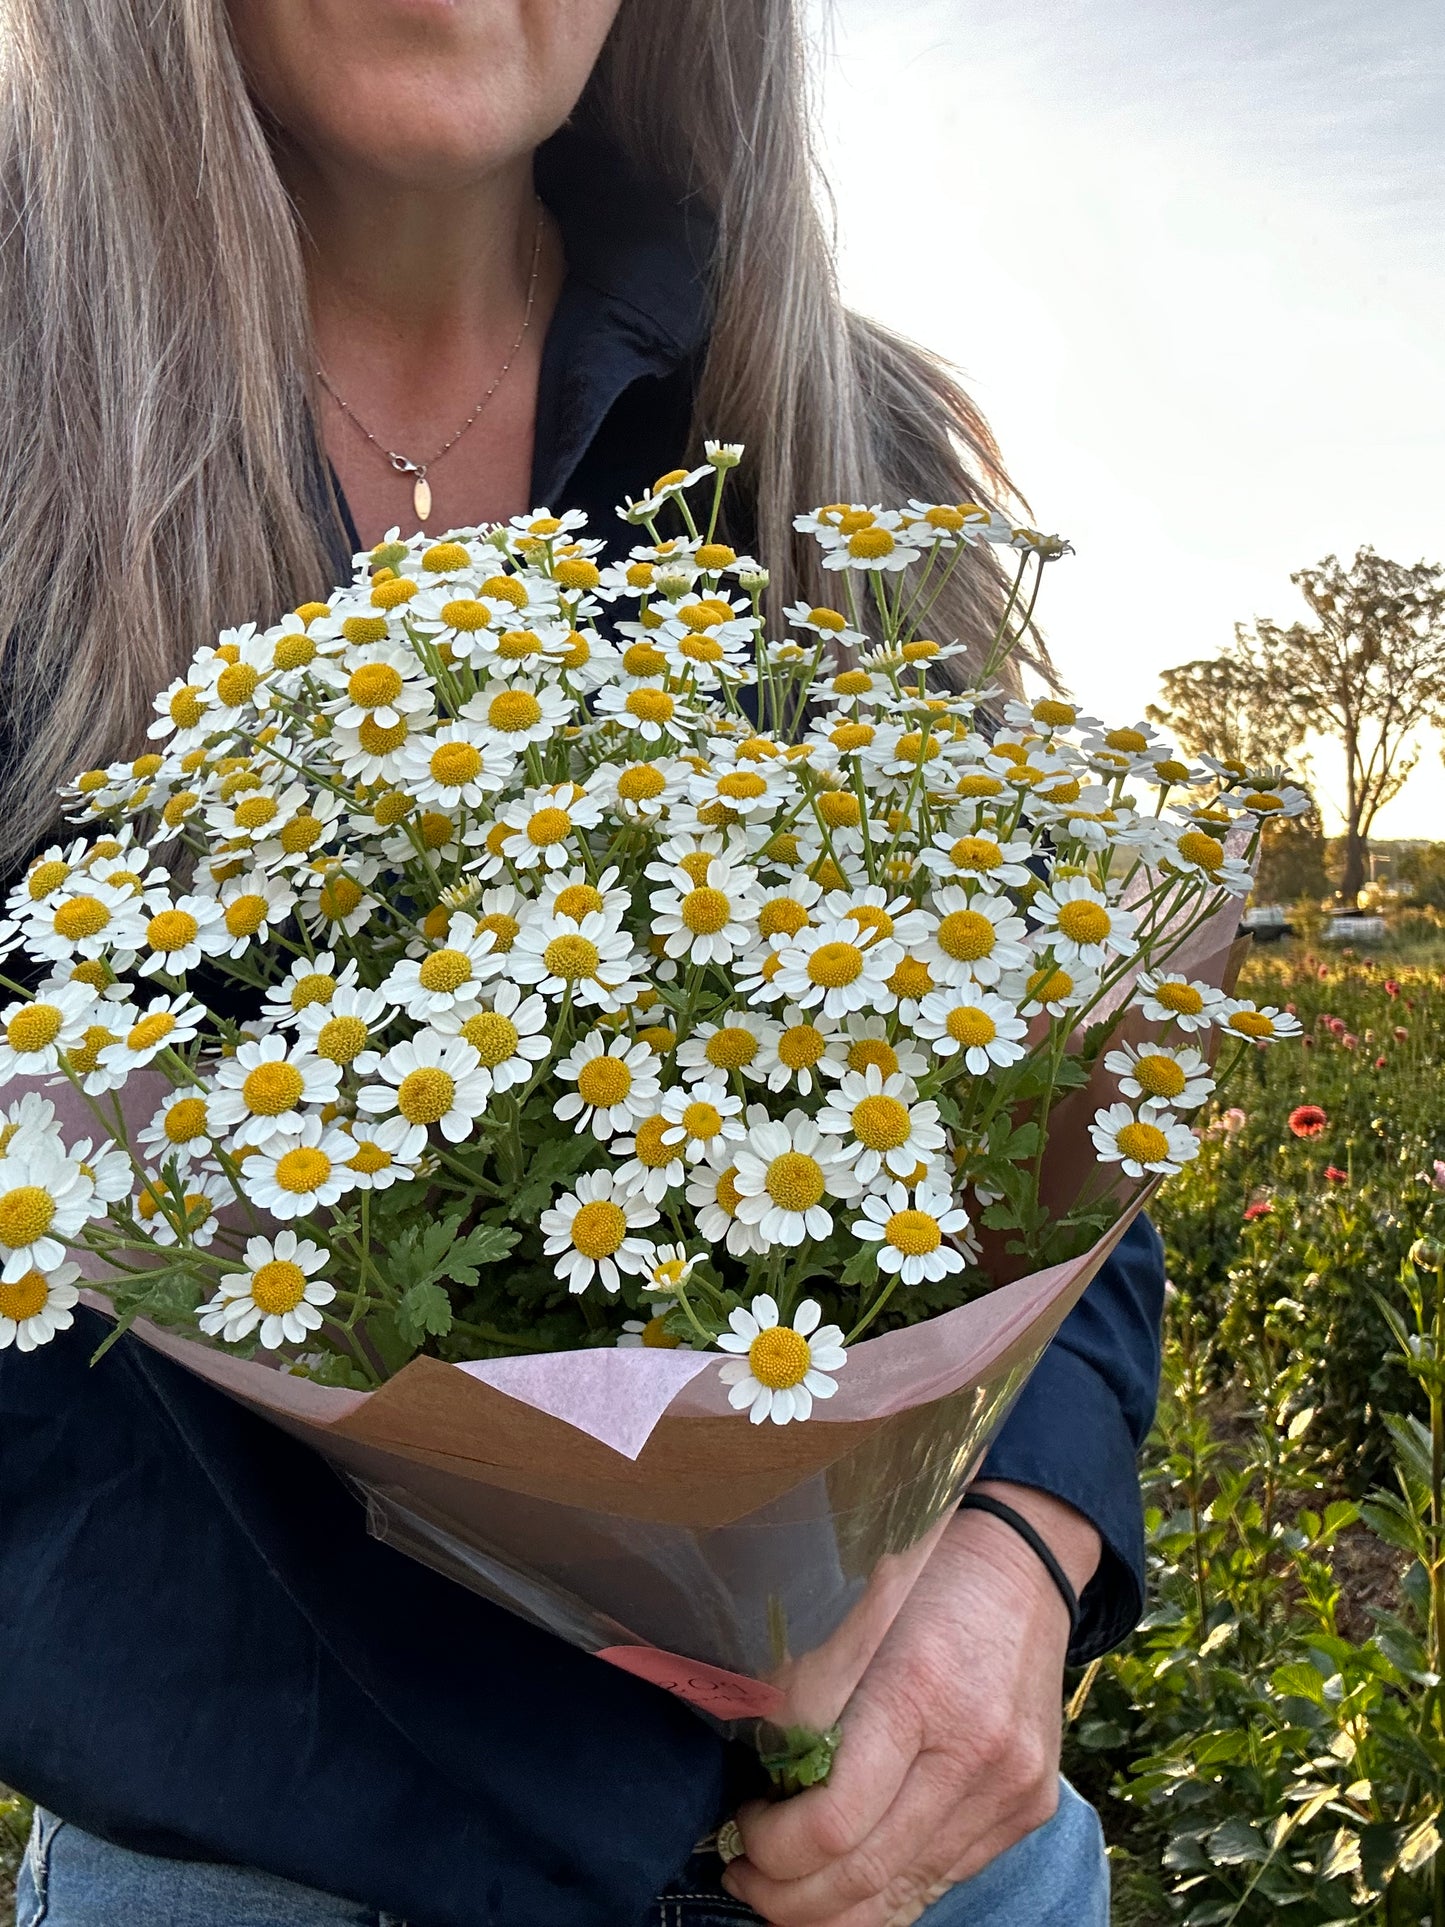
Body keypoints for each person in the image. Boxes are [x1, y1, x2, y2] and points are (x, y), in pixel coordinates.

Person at [0, 3, 1166, 1923]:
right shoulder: (36, 442)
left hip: (904, 1866)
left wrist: (1014, 1556)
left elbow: (1062, 1096)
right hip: (254, 1877)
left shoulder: (831, 437)